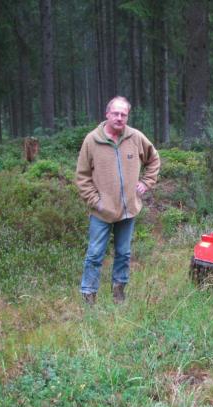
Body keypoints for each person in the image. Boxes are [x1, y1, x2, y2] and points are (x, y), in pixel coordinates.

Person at [75, 96, 161, 305]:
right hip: (101, 212)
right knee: (95, 255)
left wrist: (146, 182)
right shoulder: (92, 140)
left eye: (124, 114)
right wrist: (96, 201)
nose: (119, 118)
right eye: (116, 113)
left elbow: (154, 159)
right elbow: (82, 176)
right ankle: (89, 297)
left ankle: (119, 294)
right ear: (107, 114)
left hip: (128, 210)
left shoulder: (136, 137)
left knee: (123, 254)